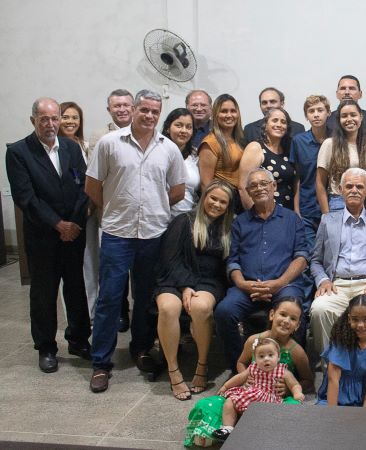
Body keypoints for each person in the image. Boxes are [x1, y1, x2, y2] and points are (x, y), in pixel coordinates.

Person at [85, 89, 187, 393]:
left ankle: (141, 349)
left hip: (153, 234)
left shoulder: (168, 148)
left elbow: (178, 190)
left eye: (155, 111)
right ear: (134, 109)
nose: (150, 116)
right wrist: (117, 207)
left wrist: (154, 204)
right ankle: (101, 362)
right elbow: (92, 187)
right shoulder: (109, 144)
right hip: (118, 233)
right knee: (110, 299)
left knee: (145, 298)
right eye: (144, 110)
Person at [6, 97, 92, 373]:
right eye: (44, 119)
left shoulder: (70, 147)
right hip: (43, 235)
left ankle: (78, 340)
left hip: (75, 232)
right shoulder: (19, 152)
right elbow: (26, 197)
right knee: (44, 292)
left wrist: (75, 222)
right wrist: (58, 224)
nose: (51, 124)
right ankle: (46, 347)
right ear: (33, 121)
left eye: (55, 118)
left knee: (77, 288)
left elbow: (83, 186)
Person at [214, 168, 309, 373]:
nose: (259, 188)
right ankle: (242, 367)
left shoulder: (292, 219)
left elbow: (302, 258)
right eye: (253, 186)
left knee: (293, 310)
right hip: (247, 286)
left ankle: (287, 371)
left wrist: (279, 283)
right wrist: (242, 284)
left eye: (264, 183)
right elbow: (233, 261)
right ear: (247, 192)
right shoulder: (240, 222)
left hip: (284, 285)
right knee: (224, 311)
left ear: (273, 186)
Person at [154, 181, 235, 401]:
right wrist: (185, 285)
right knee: (169, 308)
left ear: (228, 207)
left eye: (222, 202)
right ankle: (173, 369)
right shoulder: (183, 221)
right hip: (174, 278)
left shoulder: (228, 228)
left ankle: (202, 364)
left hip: (209, 281)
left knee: (200, 307)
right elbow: (169, 259)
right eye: (213, 198)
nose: (216, 204)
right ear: (204, 197)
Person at [309, 168, 366, 356]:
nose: (354, 190)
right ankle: (330, 368)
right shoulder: (327, 220)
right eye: (349, 186)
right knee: (319, 310)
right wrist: (323, 280)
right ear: (340, 189)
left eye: (359, 186)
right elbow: (315, 260)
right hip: (336, 284)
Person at [85, 89, 135, 327]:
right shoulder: (100, 137)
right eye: (117, 106)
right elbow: (96, 179)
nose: (122, 109)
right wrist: (107, 208)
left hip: (140, 216)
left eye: (126, 105)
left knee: (138, 267)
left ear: (133, 107)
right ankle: (121, 310)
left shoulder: (145, 133)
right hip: (112, 213)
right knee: (115, 269)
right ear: (109, 110)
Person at [213, 338, 304, 441]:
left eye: (270, 355)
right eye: (261, 356)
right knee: (230, 402)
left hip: (268, 400)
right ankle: (227, 428)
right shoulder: (253, 367)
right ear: (255, 359)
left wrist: (297, 393)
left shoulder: (282, 371)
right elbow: (239, 378)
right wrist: (225, 386)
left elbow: (294, 384)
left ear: (278, 357)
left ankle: (254, 431)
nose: (266, 359)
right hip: (249, 395)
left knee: (266, 416)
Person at [58, 101, 101, 315]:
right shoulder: (53, 146)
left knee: (91, 262)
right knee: (69, 266)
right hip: (65, 218)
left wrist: (90, 206)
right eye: (65, 117)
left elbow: (91, 179)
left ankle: (91, 310)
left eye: (75, 118)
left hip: (88, 213)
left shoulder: (84, 145)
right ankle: (74, 313)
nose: (70, 121)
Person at [316, 294, 366, 408]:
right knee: (320, 413)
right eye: (355, 319)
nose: (360, 325)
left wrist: (363, 416)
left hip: (363, 400)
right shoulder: (341, 343)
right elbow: (333, 381)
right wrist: (332, 415)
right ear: (349, 319)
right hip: (336, 400)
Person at [236, 297, 314, 393]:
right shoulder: (253, 341)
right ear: (272, 315)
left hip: (279, 399)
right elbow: (241, 363)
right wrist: (244, 378)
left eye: (293, 319)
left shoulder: (297, 352)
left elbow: (308, 381)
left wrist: (289, 388)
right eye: (283, 314)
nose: (286, 321)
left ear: (297, 325)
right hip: (253, 392)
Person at [316, 100, 366, 214]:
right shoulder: (330, 144)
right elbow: (320, 183)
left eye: (353, 115)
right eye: (344, 116)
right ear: (339, 120)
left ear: (361, 117)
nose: (349, 119)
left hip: (363, 205)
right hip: (338, 203)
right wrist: (326, 215)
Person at [291, 95, 331, 245]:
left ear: (328, 113)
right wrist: (297, 210)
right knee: (308, 253)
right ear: (306, 116)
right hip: (306, 207)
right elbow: (297, 178)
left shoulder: (337, 139)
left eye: (320, 110)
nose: (316, 114)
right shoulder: (299, 141)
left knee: (330, 253)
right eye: (311, 111)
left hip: (332, 206)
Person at [238, 107, 297, 210]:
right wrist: (255, 217)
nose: (279, 125)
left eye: (283, 122)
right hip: (264, 215)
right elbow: (243, 187)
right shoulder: (256, 148)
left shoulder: (288, 150)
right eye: (275, 120)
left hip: (287, 214)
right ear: (265, 125)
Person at [198, 94, 245, 209]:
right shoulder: (210, 143)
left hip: (237, 200)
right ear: (215, 114)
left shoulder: (239, 140)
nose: (229, 115)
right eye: (224, 111)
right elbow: (206, 184)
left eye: (233, 111)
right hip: (220, 202)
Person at [161, 108, 199, 217]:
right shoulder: (157, 152)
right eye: (178, 125)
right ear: (168, 128)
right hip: (159, 218)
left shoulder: (195, 156)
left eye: (188, 127)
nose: (184, 130)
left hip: (186, 219)